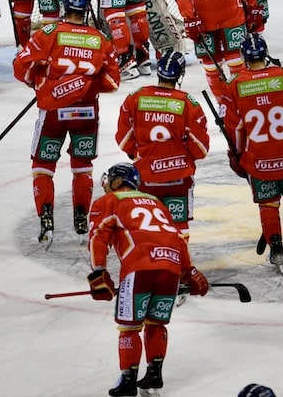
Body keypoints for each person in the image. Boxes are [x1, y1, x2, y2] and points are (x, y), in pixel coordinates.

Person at [86, 161, 210, 397]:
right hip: (171, 267)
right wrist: (189, 271)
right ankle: (154, 375)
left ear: (119, 181)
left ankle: (128, 381)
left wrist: (97, 272)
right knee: (156, 323)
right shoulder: (156, 203)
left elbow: (98, 236)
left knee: (129, 327)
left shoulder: (108, 201)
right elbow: (175, 236)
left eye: (111, 179)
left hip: (139, 268)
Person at [13, 0, 121, 245]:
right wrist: (87, 86)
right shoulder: (99, 38)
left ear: (64, 9)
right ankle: (81, 218)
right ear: (84, 12)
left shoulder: (50, 32)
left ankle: (46, 218)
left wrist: (38, 82)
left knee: (42, 166)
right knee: (82, 167)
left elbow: (21, 66)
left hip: (53, 112)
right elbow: (112, 82)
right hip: (85, 112)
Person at [220, 33, 283, 271]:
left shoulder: (234, 85)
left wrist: (237, 157)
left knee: (268, 206)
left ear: (244, 57)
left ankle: (276, 250)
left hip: (259, 161)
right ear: (265, 54)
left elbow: (235, 130)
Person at [115, 50, 210, 237]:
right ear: (180, 74)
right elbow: (200, 149)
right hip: (179, 178)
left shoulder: (136, 97)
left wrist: (138, 155)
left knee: (147, 229)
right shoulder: (189, 103)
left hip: (146, 176)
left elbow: (124, 138)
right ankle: (179, 265)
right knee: (179, 227)